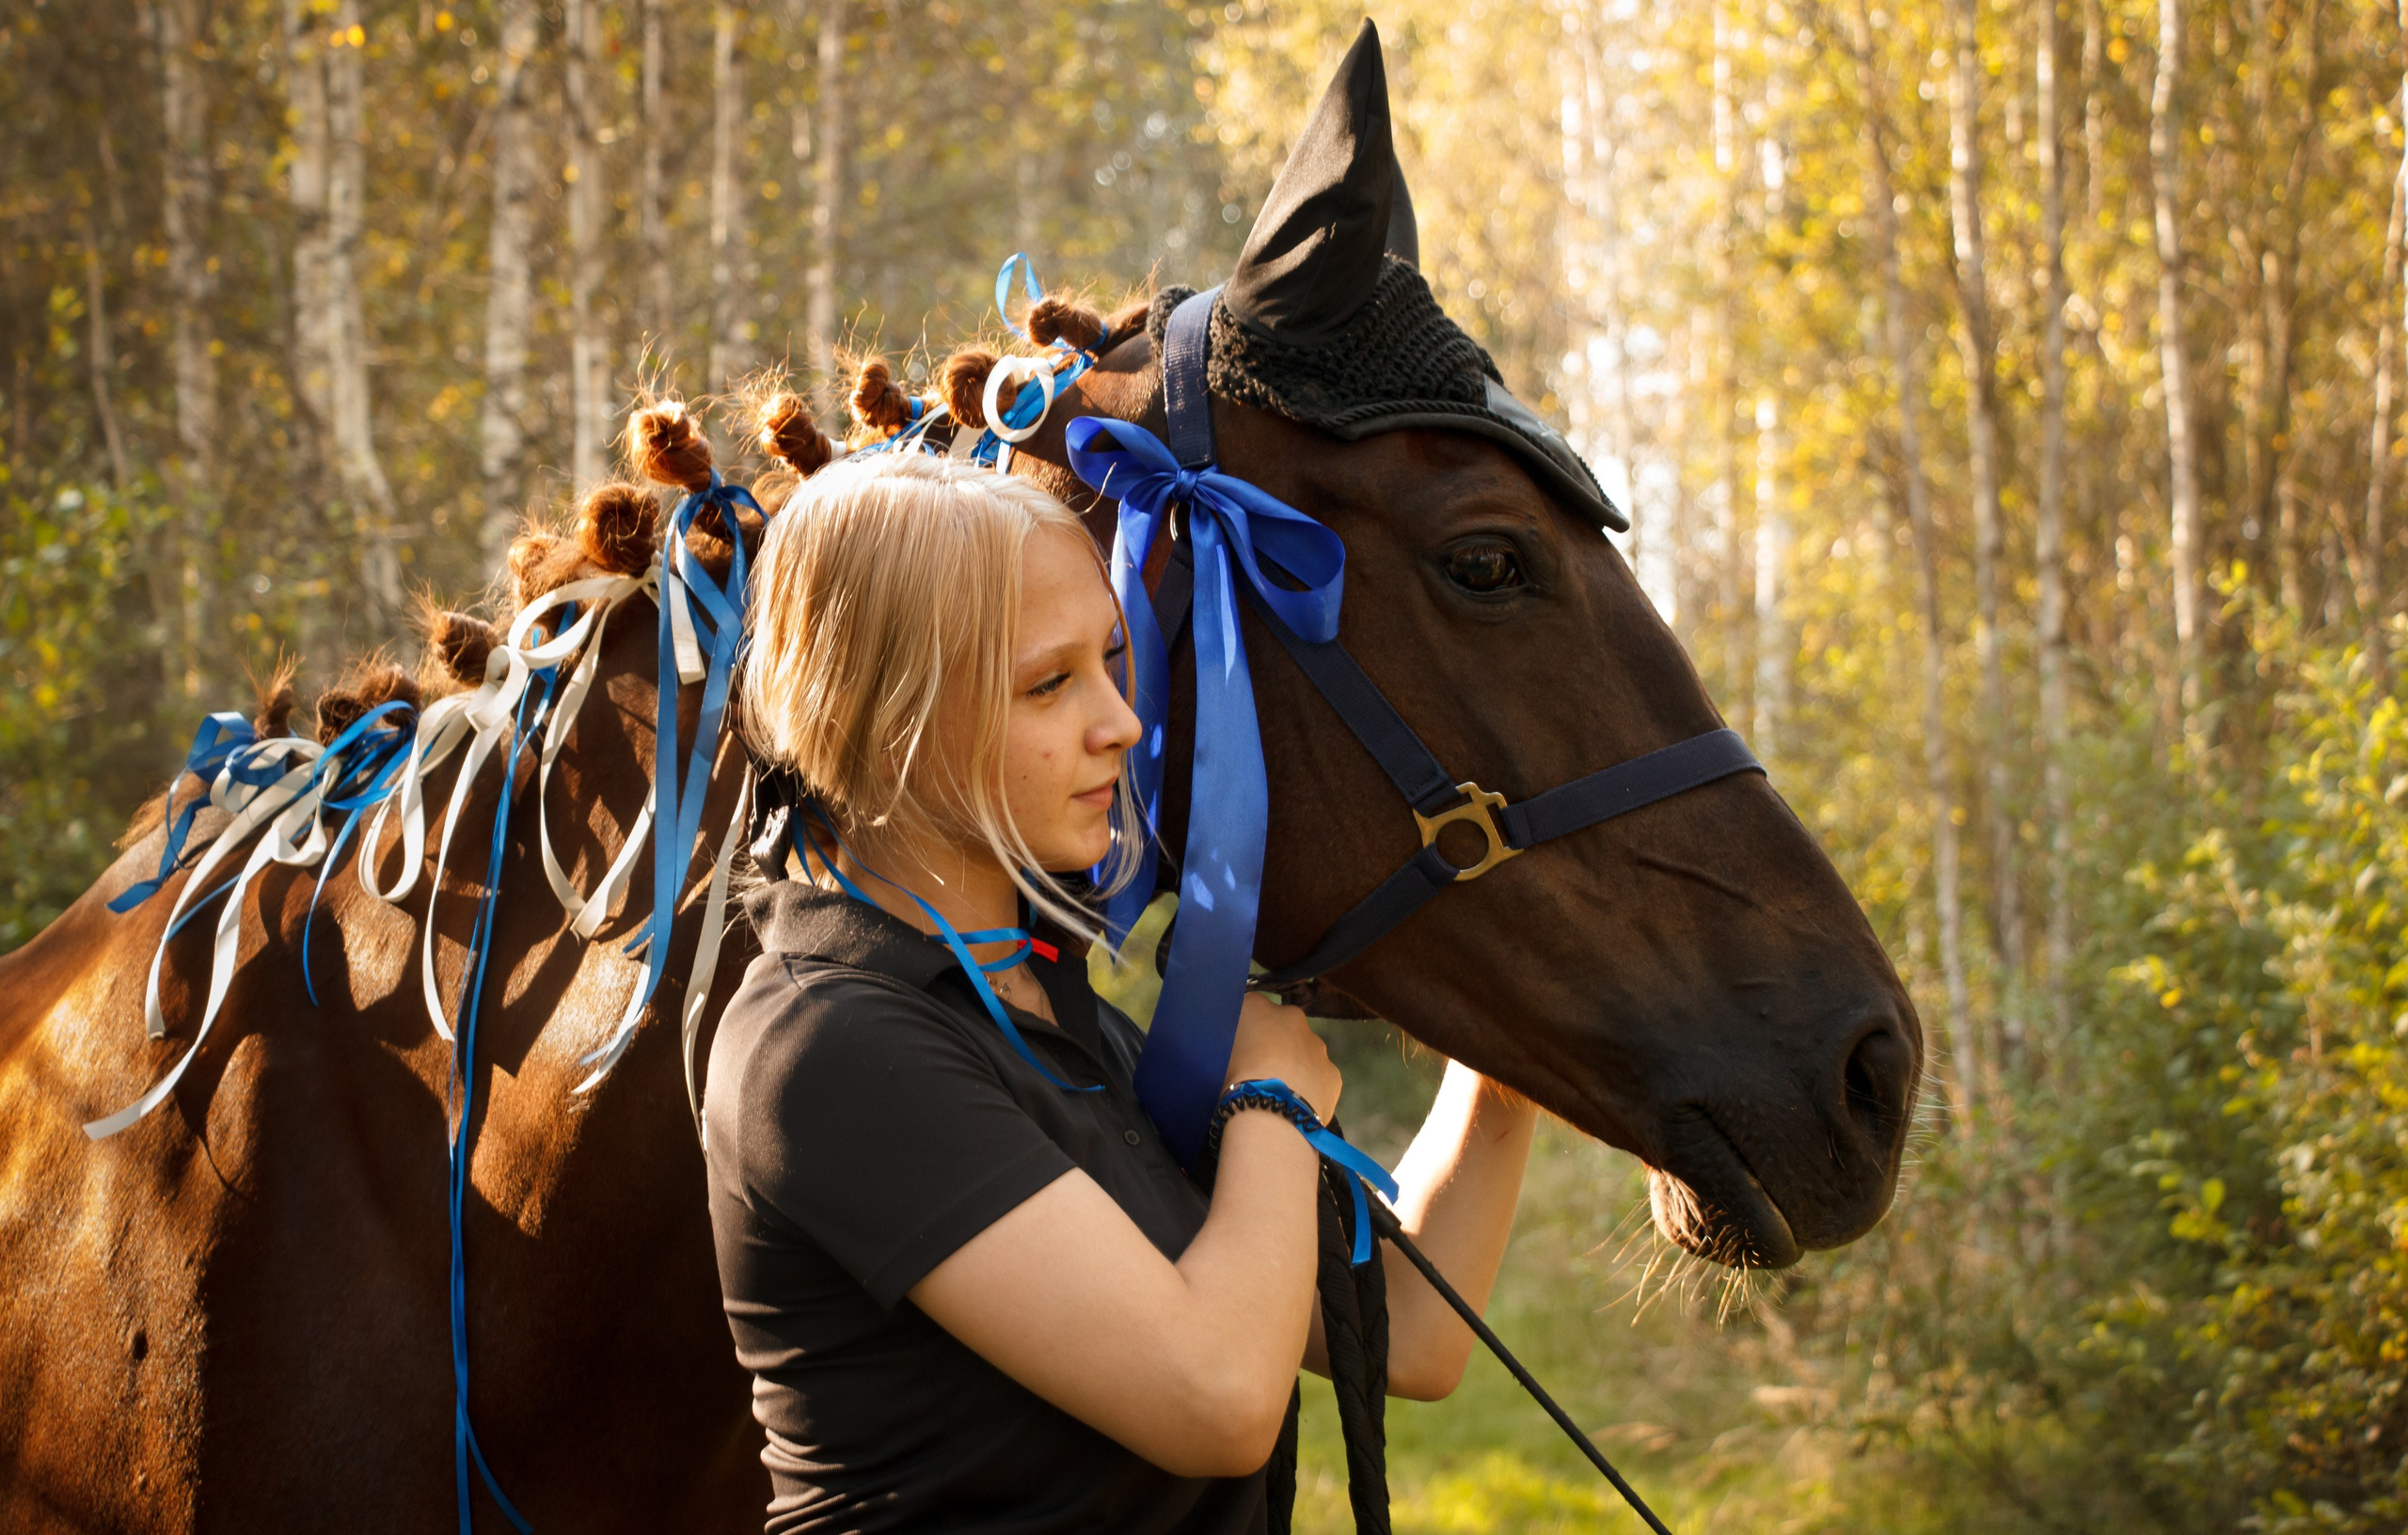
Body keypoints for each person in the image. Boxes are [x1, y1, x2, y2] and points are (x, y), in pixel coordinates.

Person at [705, 436, 1538, 1534]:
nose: (1122, 724)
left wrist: (1511, 1055)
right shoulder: (828, 1044)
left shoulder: (1049, 1010)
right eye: (1050, 684)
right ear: (882, 722)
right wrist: (1269, 1104)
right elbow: (1220, 1397)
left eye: (1108, 660)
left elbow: (1414, 1337)